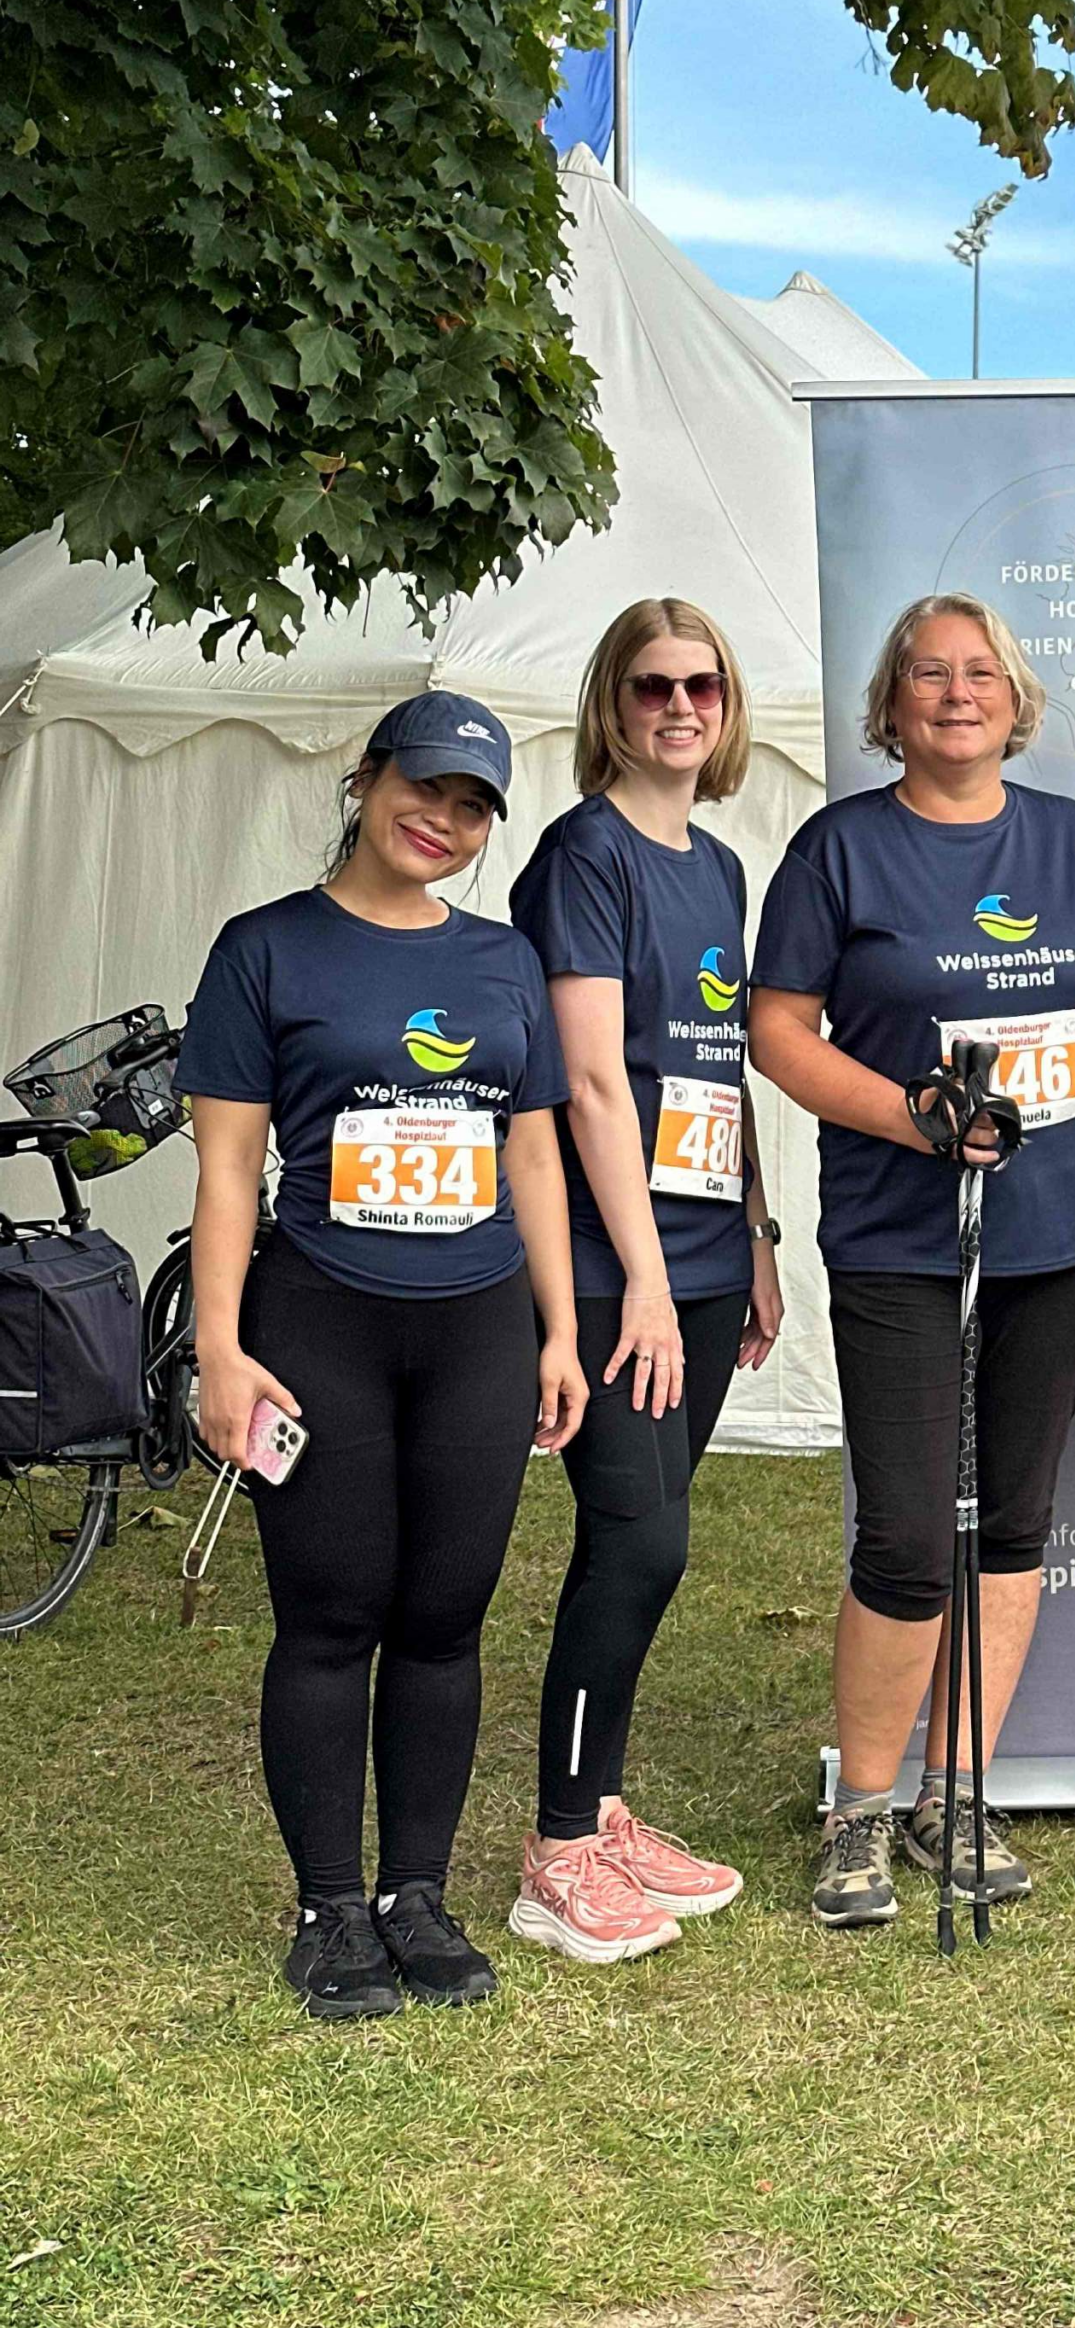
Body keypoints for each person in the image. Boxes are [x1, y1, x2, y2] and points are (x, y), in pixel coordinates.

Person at [179, 694, 587, 2020]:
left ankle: (417, 1895)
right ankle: (329, 1909)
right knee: (330, 1613)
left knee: (444, 1616)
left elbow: (532, 1151)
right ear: (366, 779)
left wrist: (561, 1328)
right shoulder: (266, 952)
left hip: (476, 1326)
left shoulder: (503, 960)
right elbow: (232, 1169)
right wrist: (222, 1351)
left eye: (473, 805)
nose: (444, 821)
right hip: (322, 1320)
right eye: (426, 787)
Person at [750, 591, 1075, 1928]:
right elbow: (779, 1031)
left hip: (1052, 1237)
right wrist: (909, 1116)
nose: (955, 694)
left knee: (1013, 1522)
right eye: (926, 676)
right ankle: (859, 1805)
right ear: (891, 705)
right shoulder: (840, 849)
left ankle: (954, 1791)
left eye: (979, 675)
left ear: (1016, 702)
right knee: (908, 1535)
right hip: (903, 1241)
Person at [507, 599, 784, 1963]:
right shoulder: (584, 856)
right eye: (653, 685)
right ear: (611, 704)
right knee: (640, 1538)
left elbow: (712, 1070)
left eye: (704, 686)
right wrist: (651, 1283)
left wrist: (755, 1232)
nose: (681, 707)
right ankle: (556, 1846)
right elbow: (597, 1083)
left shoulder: (716, 865)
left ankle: (605, 1806)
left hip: (707, 1255)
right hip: (620, 1276)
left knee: (654, 1544)